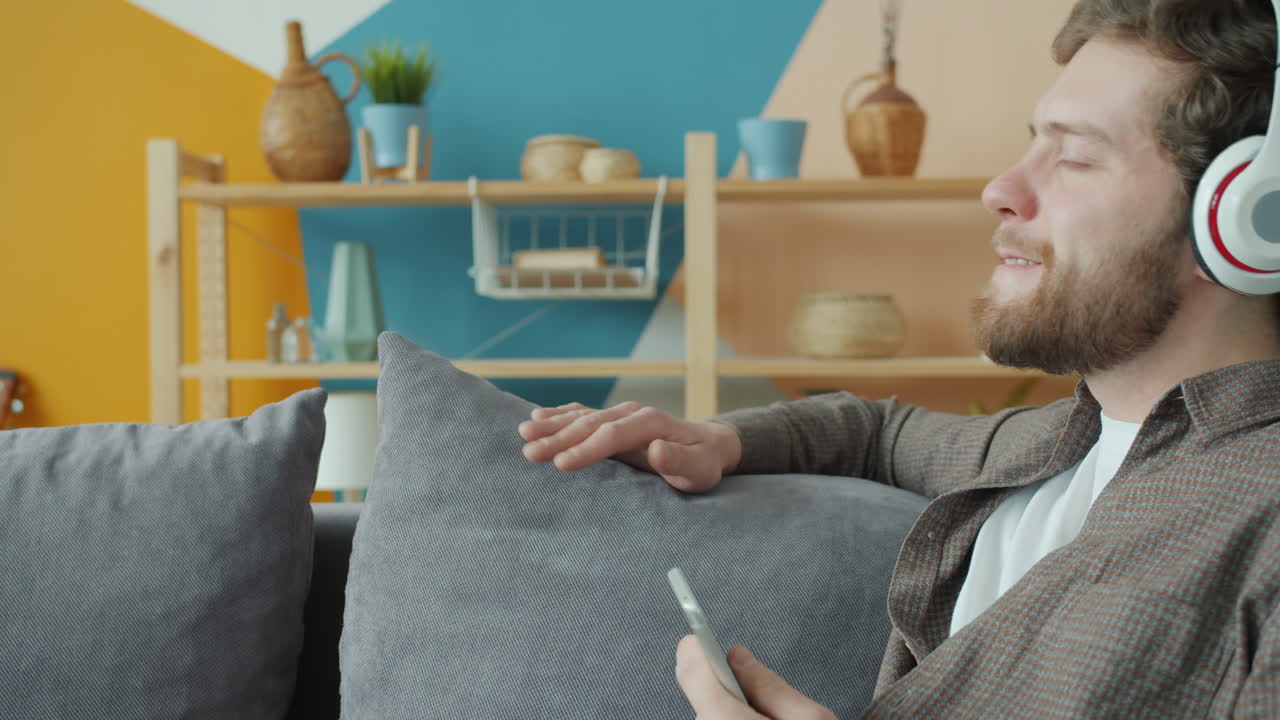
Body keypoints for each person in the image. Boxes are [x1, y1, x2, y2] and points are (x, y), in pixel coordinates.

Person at [520, 0, 1280, 716]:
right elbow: (876, 430)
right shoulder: (1056, 442)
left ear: (1245, 216)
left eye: (1075, 158)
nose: (1002, 189)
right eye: (1031, 143)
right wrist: (724, 438)